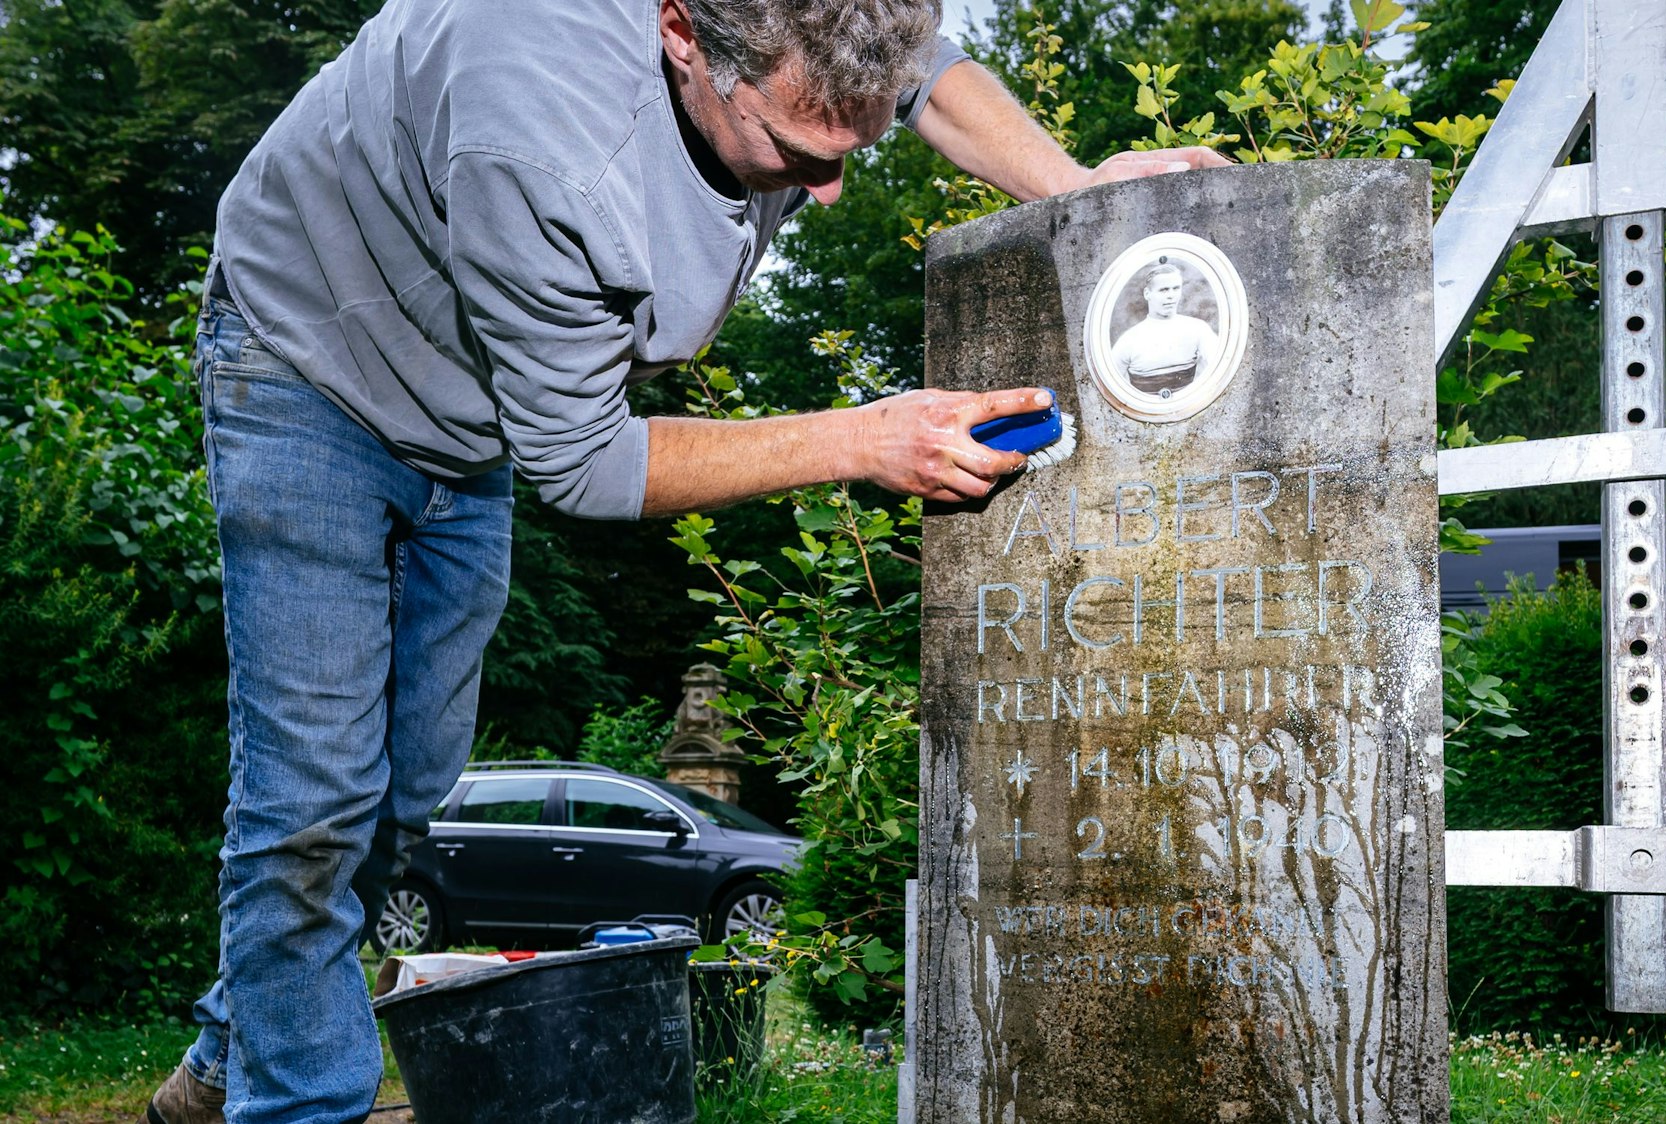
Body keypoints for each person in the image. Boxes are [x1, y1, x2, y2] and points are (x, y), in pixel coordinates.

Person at [141, 0, 1226, 1121]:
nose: (829, 189)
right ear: (682, 37)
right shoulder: (541, 128)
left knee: (407, 787)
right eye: (802, 151)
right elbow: (583, 463)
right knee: (316, 791)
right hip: (308, 366)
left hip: (469, 418)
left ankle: (236, 1037)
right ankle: (295, 1095)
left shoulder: (798, 23)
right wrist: (864, 436)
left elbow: (932, 74)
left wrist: (1075, 187)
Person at [1109, 261, 1223, 397]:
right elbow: (1111, 386)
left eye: (1176, 288)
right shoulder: (1129, 340)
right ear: (1147, 293)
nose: (1171, 295)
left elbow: (1222, 366)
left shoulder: (1197, 329)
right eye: (1163, 290)